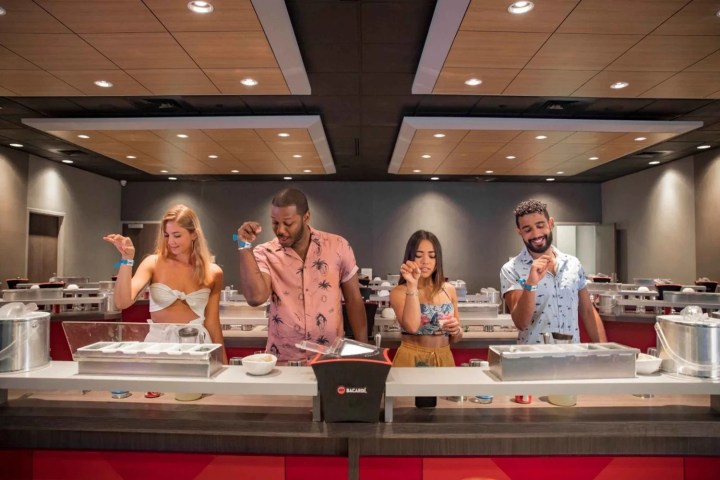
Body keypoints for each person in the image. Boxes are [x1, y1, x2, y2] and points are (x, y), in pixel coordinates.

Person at [236, 188, 367, 362]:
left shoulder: (338, 246)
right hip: (283, 361)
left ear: (306, 217)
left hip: (329, 358)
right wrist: (243, 246)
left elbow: (354, 301)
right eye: (275, 222)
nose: (280, 230)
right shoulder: (265, 252)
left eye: (288, 223)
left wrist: (364, 353)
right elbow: (256, 298)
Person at [103, 204, 227, 365]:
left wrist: (223, 362)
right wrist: (127, 259)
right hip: (158, 345)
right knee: (157, 390)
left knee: (192, 391)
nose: (171, 242)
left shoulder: (213, 272)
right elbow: (122, 302)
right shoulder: (152, 263)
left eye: (177, 235)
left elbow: (212, 322)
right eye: (167, 235)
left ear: (194, 235)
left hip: (197, 345)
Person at [500, 199, 607, 344]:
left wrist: (605, 351)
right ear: (519, 232)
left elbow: (588, 312)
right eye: (527, 229)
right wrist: (531, 283)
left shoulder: (573, 264)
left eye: (540, 225)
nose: (536, 234)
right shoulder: (511, 269)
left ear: (550, 223)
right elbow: (521, 322)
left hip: (571, 357)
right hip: (533, 359)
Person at [390, 230, 461, 368]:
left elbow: (456, 337)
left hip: (444, 358)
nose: (425, 262)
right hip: (411, 359)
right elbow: (411, 326)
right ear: (410, 257)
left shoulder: (449, 289)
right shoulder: (399, 292)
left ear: (437, 260)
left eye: (432, 256)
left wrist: (456, 330)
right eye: (418, 255)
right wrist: (412, 284)